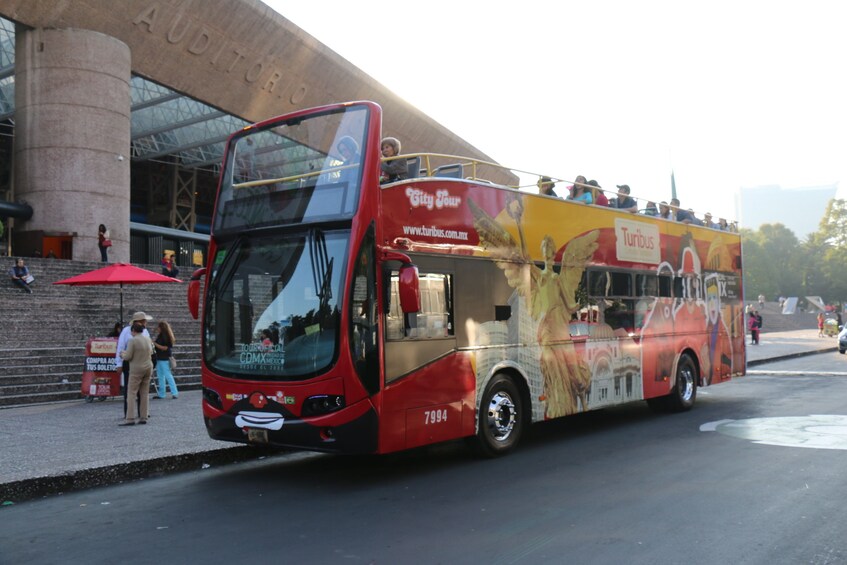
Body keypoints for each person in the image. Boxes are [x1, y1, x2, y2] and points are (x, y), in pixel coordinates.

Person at [115, 311, 152, 418]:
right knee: (129, 389)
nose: (146, 323)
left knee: (143, 391)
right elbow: (121, 346)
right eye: (144, 321)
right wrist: (118, 363)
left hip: (142, 361)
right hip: (130, 362)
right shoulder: (126, 331)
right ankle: (128, 413)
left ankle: (143, 412)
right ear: (139, 321)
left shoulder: (145, 332)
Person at [152, 320, 178, 400]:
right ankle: (162, 393)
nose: (157, 329)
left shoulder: (165, 337)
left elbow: (165, 348)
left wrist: (154, 343)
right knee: (161, 376)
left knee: (167, 376)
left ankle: (174, 392)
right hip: (160, 358)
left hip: (164, 358)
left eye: (158, 327)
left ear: (161, 328)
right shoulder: (163, 336)